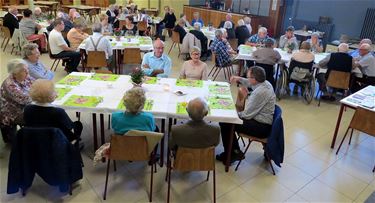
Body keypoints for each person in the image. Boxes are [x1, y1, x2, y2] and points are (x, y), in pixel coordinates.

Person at [217, 66, 276, 164]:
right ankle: (233, 150)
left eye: (248, 76)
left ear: (254, 79)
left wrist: (231, 113)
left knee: (226, 122)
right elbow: (250, 82)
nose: (247, 78)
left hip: (261, 127)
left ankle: (233, 153)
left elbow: (246, 115)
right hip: (261, 121)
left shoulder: (259, 92)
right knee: (228, 120)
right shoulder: (265, 83)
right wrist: (239, 79)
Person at [0, 59, 34, 143]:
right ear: (15, 73)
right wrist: (42, 94)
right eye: (24, 70)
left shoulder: (25, 77)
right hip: (12, 113)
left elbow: (36, 84)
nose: (27, 72)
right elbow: (25, 100)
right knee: (40, 116)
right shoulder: (10, 84)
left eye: (27, 69)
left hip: (26, 106)